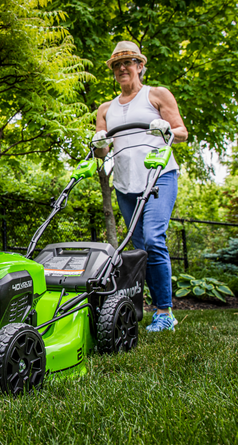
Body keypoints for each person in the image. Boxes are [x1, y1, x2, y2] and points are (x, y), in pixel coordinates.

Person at [92, 41, 188, 332]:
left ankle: (164, 312)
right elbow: (101, 151)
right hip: (125, 185)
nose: (123, 68)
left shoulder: (156, 95)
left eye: (129, 62)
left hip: (160, 177)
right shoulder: (106, 109)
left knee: (155, 238)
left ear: (140, 66)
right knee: (140, 247)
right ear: (113, 71)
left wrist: (166, 128)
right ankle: (141, 305)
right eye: (117, 64)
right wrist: (98, 143)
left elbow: (182, 133)